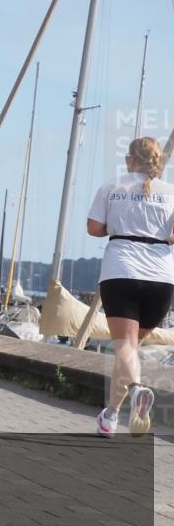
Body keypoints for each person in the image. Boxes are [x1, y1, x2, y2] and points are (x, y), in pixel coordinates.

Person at [87, 136, 174, 438]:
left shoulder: (112, 187)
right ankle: (110, 415)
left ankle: (137, 390)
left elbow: (94, 227)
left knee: (125, 348)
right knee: (130, 350)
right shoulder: (171, 193)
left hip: (122, 272)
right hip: (161, 281)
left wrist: (122, 223)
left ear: (131, 160)